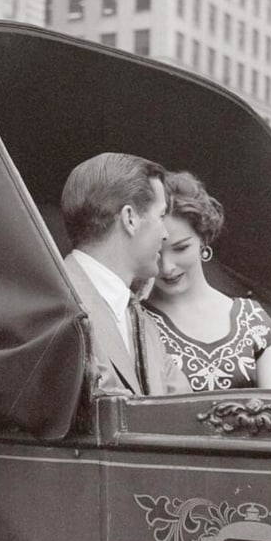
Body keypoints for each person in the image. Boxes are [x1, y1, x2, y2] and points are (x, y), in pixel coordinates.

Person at [143, 170, 271, 392]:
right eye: (156, 250)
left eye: (181, 248)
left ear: (203, 238)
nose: (167, 267)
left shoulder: (253, 321)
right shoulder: (137, 322)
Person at [61, 153, 190, 395]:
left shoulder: (144, 323)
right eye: (161, 217)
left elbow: (188, 413)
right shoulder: (57, 304)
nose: (165, 234)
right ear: (130, 219)